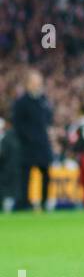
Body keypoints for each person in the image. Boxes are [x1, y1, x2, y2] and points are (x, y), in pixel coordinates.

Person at [11, 70, 54, 212]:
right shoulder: (21, 102)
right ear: (28, 84)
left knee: (46, 174)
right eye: (36, 82)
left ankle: (44, 203)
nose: (38, 85)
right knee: (25, 177)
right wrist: (28, 138)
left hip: (42, 145)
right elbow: (17, 124)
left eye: (39, 82)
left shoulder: (43, 100)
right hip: (27, 146)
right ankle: (24, 203)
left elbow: (48, 118)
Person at [0, 116, 22, 213]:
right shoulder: (17, 136)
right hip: (16, 168)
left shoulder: (6, 138)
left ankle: (7, 207)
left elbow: (2, 154)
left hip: (7, 170)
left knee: (7, 191)